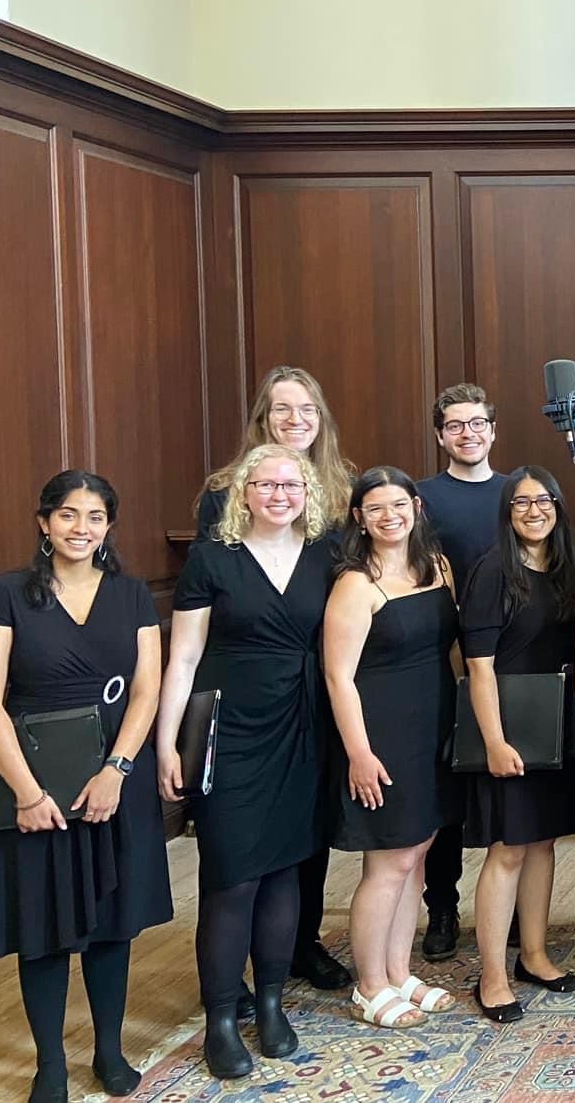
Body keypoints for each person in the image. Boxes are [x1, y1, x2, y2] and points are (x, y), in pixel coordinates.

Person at [0, 472, 173, 1102]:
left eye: (94, 517)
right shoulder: (5, 593)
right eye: (66, 515)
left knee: (113, 923)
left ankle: (110, 1052)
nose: (80, 528)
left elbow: (146, 691)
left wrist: (118, 770)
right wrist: (27, 794)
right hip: (35, 779)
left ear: (109, 526)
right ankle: (49, 1064)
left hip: (115, 776)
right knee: (44, 926)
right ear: (43, 522)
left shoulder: (133, 595)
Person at [158, 444, 335, 1079]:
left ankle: (270, 1002)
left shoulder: (327, 556)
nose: (279, 494)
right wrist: (166, 743)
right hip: (228, 733)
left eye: (292, 485)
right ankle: (221, 1018)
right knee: (232, 876)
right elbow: (181, 659)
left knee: (286, 870)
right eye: (266, 484)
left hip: (302, 729)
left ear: (308, 492)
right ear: (245, 493)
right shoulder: (211, 559)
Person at [191, 365, 356, 993]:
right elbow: (223, 590)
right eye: (283, 410)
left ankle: (298, 943)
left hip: (316, 683)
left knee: (305, 830)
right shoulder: (224, 492)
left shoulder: (342, 492)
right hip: (245, 686)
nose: (295, 421)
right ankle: (233, 976)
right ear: (264, 417)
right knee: (239, 850)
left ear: (321, 421)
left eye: (307, 410)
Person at [325, 469, 466, 1030]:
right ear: (360, 517)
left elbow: (452, 651)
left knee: (417, 857)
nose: (389, 516)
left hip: (433, 727)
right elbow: (338, 676)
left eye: (399, 505)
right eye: (375, 508)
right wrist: (359, 753)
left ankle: (399, 971)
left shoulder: (437, 567)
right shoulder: (355, 583)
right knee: (387, 863)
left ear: (416, 506)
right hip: (381, 736)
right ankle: (369, 985)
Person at [465, 466, 575, 1020]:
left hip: (557, 725)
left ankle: (534, 955)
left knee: (544, 842)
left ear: (559, 507)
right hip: (510, 728)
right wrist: (494, 739)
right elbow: (478, 666)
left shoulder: (568, 568)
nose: (534, 511)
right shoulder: (492, 571)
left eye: (544, 500)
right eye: (521, 503)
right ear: (507, 513)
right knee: (509, 848)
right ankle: (492, 974)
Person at [415, 382, 507, 964]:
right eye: (455, 425)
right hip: (442, 659)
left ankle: (519, 910)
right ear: (440, 434)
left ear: (493, 430)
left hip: (511, 658)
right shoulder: (420, 497)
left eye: (477, 423)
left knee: (508, 785)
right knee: (444, 792)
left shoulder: (515, 492)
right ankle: (442, 907)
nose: (467, 433)